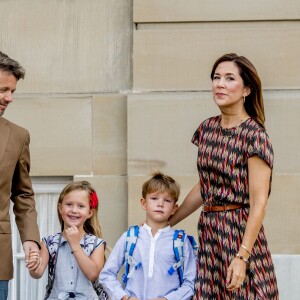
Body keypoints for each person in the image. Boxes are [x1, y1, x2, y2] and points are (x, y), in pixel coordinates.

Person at [169, 53, 279, 299]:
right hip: (209, 233)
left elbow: (259, 203)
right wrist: (168, 222)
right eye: (216, 77)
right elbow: (205, 186)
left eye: (230, 78)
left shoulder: (255, 136)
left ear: (246, 90)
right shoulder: (206, 129)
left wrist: (242, 256)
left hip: (240, 232)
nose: (220, 84)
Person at [99, 172, 197, 300]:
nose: (160, 204)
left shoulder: (181, 241)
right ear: (143, 203)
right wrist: (124, 297)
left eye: (167, 200)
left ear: (174, 208)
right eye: (154, 198)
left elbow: (191, 283)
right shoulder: (129, 237)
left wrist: (168, 299)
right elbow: (106, 275)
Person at [0, 50, 40, 299]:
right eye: (4, 89)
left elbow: (23, 194)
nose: (9, 98)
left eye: (13, 91)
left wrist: (31, 239)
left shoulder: (18, 136)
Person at [27, 181, 106, 300]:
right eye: (69, 204)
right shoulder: (49, 242)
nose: (74, 210)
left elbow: (93, 274)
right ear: (60, 208)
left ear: (90, 212)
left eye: (81, 206)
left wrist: (75, 244)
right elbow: (37, 273)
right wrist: (34, 265)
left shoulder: (96, 244)